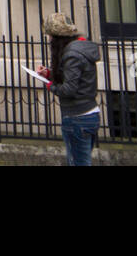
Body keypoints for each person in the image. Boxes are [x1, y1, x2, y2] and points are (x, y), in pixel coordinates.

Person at [36, 12, 101, 166]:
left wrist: (51, 86)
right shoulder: (81, 49)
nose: (49, 40)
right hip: (89, 113)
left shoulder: (72, 54)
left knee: (78, 163)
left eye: (51, 36)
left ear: (58, 37)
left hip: (77, 117)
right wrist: (49, 74)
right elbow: (76, 77)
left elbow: (69, 89)